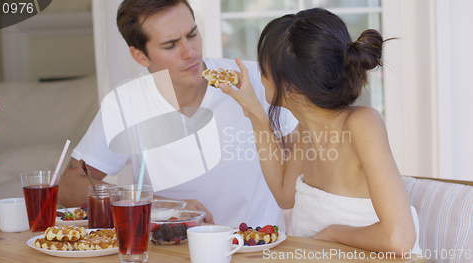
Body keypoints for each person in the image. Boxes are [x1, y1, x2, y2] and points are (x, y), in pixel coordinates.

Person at [57, 0, 298, 230]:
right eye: (171, 45)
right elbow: (69, 186)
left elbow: (315, 160)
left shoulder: (255, 80)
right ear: (140, 56)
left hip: (259, 250)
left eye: (192, 34)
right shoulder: (126, 104)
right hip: (174, 253)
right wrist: (163, 207)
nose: (190, 52)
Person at [219, 8, 420, 254]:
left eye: (264, 68)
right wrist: (256, 114)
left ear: (290, 87)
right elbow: (284, 195)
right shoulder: (307, 129)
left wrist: (331, 233)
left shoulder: (363, 123)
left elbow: (399, 238)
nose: (259, 75)